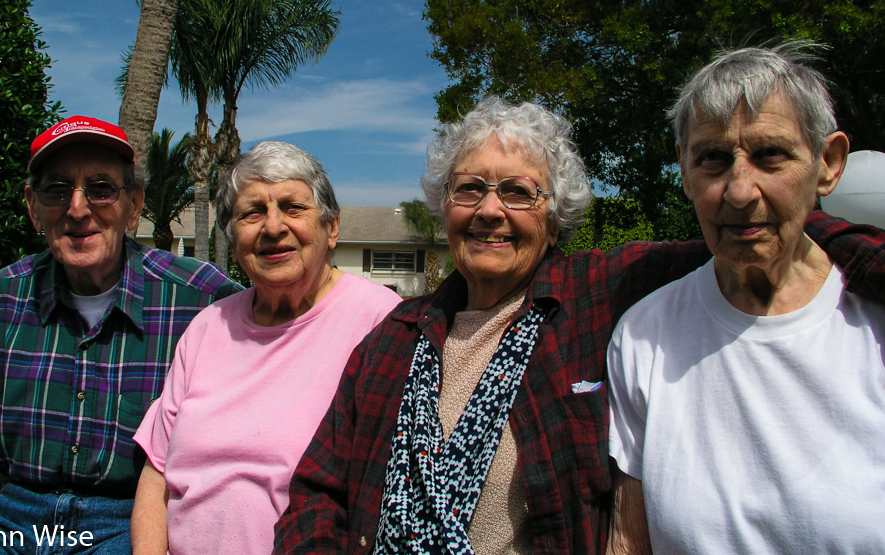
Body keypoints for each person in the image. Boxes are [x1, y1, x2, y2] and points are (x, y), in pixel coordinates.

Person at [271, 96, 883, 554]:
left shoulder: (596, 296)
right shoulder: (393, 337)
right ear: (444, 205)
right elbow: (318, 491)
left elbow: (745, 229)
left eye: (518, 192)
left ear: (555, 217)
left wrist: (855, 251)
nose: (490, 210)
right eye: (471, 189)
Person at [606, 44, 885, 554]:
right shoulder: (646, 335)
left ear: (828, 163)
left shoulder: (874, 324)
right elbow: (628, 542)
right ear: (685, 171)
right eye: (712, 159)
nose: (739, 192)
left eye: (770, 155)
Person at [0, 116, 242, 553]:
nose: (78, 209)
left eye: (101, 188)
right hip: (12, 519)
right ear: (32, 206)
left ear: (134, 205)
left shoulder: (203, 299)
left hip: (131, 519)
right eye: (58, 190)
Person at [130, 142, 403, 555]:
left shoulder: (380, 320)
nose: (273, 227)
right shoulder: (208, 326)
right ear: (233, 239)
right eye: (252, 213)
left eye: (293, 207)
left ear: (332, 228)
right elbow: (156, 475)